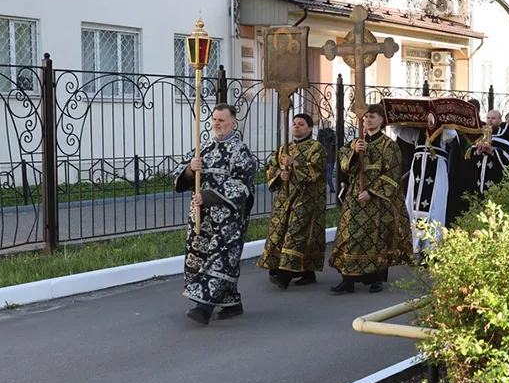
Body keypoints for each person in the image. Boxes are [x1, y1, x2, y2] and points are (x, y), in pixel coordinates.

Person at [174, 104, 257, 325]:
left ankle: (204, 308)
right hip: (201, 216)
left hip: (228, 219)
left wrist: (208, 196)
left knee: (220, 258)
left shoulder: (241, 151)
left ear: (233, 123)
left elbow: (242, 185)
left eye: (221, 120)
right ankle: (232, 303)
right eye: (214, 119)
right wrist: (190, 168)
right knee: (201, 256)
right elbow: (180, 175)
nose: (216, 124)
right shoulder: (203, 147)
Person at [329, 104, 413, 294]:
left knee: (377, 237)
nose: (367, 119)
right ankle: (348, 279)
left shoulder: (389, 146)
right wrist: (354, 153)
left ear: (381, 120)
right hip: (355, 197)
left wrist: (372, 192)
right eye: (365, 116)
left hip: (378, 199)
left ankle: (376, 279)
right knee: (350, 234)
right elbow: (345, 168)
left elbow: (392, 174)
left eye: (372, 116)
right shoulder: (354, 143)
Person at [257, 114, 327, 288]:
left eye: (301, 124)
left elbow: (316, 171)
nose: (296, 126)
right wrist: (280, 175)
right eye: (294, 123)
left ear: (309, 128)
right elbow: (271, 167)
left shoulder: (316, 147)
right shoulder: (284, 147)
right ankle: (304, 272)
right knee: (280, 231)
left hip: (306, 198)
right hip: (284, 198)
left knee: (296, 233)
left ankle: (285, 274)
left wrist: (294, 163)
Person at [392, 121, 464, 252]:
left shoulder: (443, 133)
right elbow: (398, 130)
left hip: (436, 168)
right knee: (413, 207)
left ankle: (431, 247)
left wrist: (440, 123)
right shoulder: (417, 133)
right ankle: (414, 246)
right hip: (418, 169)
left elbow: (452, 135)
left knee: (435, 205)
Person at [466, 109, 509, 193]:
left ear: (500, 121)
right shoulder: (480, 137)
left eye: (493, 118)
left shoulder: (505, 140)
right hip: (479, 181)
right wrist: (478, 152)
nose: (490, 120)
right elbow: (471, 157)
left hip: (497, 183)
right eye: (488, 118)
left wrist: (493, 152)